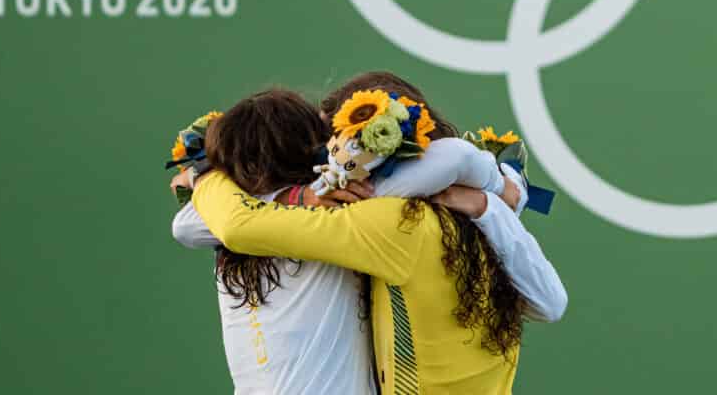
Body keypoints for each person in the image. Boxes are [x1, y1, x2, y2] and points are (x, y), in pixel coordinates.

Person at [177, 79, 565, 394]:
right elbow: (551, 304)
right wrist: (498, 194)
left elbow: (204, 224)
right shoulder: (454, 218)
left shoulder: (376, 222)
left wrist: (205, 176)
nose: (334, 156)